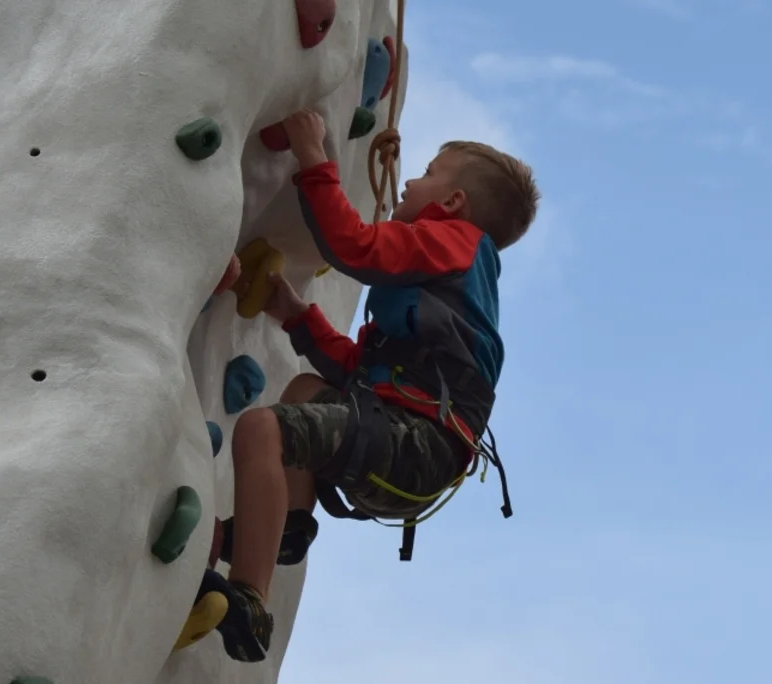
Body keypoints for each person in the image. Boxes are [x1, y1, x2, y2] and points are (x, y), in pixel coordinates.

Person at [211, 108, 541, 663]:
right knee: (305, 391)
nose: (410, 179)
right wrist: (297, 316)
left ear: (454, 202)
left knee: (262, 428)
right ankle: (287, 528)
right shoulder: (452, 286)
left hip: (410, 441)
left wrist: (312, 153)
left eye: (431, 171)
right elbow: (356, 373)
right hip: (408, 444)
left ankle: (249, 602)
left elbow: (354, 247)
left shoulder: (452, 242)